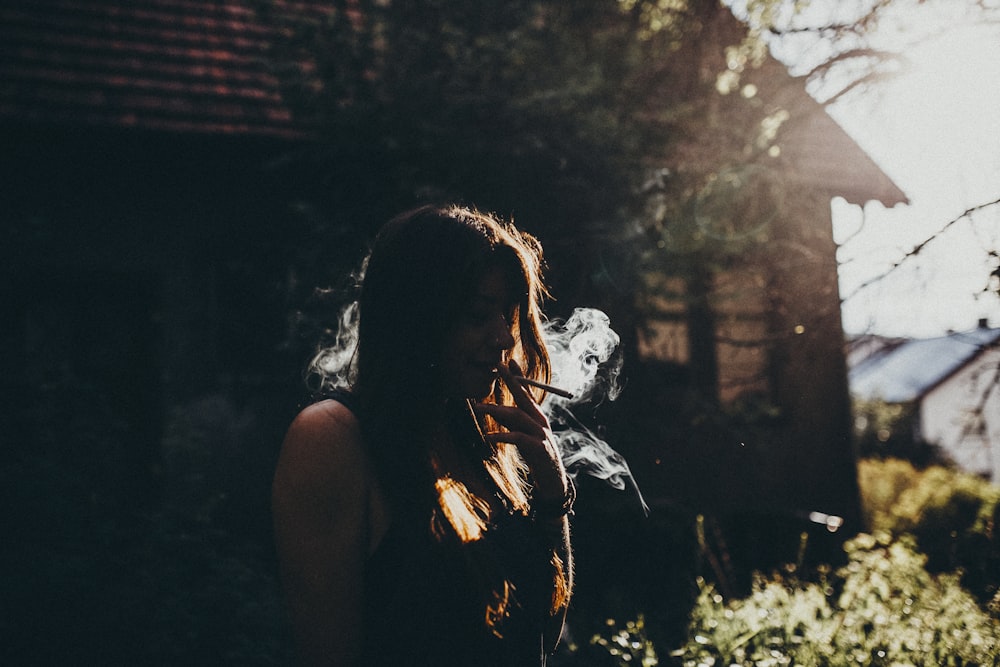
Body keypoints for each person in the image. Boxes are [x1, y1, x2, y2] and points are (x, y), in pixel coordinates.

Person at [272, 204, 574, 666]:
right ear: (417, 320)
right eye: (477, 315)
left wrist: (553, 497)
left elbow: (544, 631)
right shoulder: (332, 439)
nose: (504, 338)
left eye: (507, 315)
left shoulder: (475, 439)